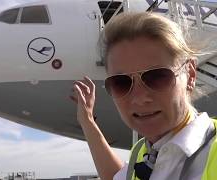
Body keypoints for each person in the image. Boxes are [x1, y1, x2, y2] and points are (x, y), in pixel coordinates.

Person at [70, 12, 217, 180]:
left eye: (157, 76)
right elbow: (118, 177)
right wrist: (87, 121)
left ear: (190, 75)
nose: (139, 98)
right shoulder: (143, 151)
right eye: (121, 82)